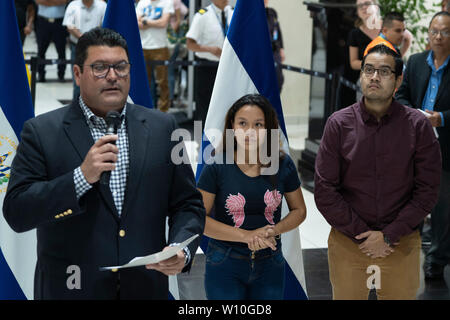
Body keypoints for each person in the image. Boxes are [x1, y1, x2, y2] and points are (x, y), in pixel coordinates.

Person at [3, 27, 205, 300]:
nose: (112, 76)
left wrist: (181, 247)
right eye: (99, 68)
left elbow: (188, 204)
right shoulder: (41, 132)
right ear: (77, 73)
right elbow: (17, 212)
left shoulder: (164, 128)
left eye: (120, 67)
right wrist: (80, 178)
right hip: (71, 290)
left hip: (145, 288)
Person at [315, 44, 441, 300]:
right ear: (361, 75)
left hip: (401, 241)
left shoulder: (418, 126)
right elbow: (325, 190)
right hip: (349, 241)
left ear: (398, 79)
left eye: (384, 71)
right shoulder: (338, 124)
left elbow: (427, 190)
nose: (375, 77)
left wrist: (388, 235)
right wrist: (364, 235)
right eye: (369, 70)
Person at [197, 94, 307, 300]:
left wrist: (275, 230)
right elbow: (198, 219)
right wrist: (246, 236)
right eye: (242, 123)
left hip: (270, 261)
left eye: (258, 124)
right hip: (225, 262)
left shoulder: (283, 165)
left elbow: (300, 210)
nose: (250, 132)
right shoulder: (216, 166)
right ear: (232, 126)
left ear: (268, 128)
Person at [396, 11, 450, 280]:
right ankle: (407, 254)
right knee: (410, 200)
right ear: (428, 34)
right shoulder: (416, 62)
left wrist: (442, 118)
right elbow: (402, 94)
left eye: (445, 32)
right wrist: (413, 114)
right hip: (415, 145)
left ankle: (436, 260)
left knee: (442, 206)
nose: (438, 37)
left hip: (446, 147)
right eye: (434, 32)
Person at [186, 0, 234, 128]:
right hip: (206, 68)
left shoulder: (234, 13)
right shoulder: (202, 15)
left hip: (228, 67)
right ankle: (204, 139)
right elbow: (190, 44)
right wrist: (210, 49)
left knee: (227, 104)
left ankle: (224, 137)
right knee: (205, 105)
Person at [63, 0, 107, 101]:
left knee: (97, 78)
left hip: (97, 47)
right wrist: (84, 38)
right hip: (77, 46)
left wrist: (92, 38)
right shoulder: (73, 5)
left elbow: (105, 25)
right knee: (78, 79)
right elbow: (69, 26)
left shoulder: (102, 5)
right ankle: (76, 107)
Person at [136, 0, 174, 112]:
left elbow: (163, 23)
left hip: (160, 46)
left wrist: (145, 21)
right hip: (142, 47)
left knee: (162, 82)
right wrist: (153, 23)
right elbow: (136, 22)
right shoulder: (142, 2)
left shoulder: (167, 2)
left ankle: (163, 111)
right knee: (143, 82)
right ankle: (144, 109)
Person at [35, 0, 69, 82]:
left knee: (61, 50)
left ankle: (61, 74)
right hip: (43, 21)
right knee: (41, 50)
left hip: (59, 22)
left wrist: (48, 2)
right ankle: (41, 74)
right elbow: (38, 1)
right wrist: (55, 2)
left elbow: (63, 1)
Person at [264, 0, 285, 93]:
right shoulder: (254, 15)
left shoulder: (272, 13)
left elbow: (278, 31)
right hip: (263, 53)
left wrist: (281, 48)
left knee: (279, 80)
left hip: (275, 52)